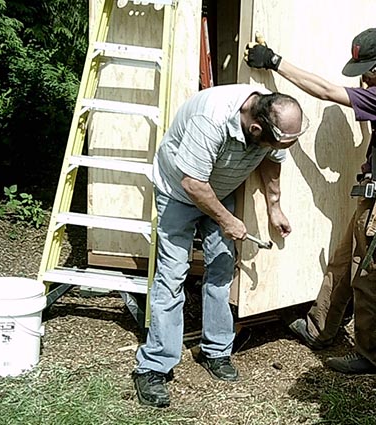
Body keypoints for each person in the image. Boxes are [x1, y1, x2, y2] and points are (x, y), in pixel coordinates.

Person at [244, 28, 376, 374]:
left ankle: (372, 355)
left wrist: (275, 62)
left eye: (372, 72)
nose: (367, 82)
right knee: (343, 264)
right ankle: (319, 328)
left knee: (372, 281)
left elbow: (327, 91)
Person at [132, 84, 308, 408]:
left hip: (217, 188)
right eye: (279, 142)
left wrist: (274, 207)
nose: (283, 148)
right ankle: (154, 367)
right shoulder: (210, 118)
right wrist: (227, 220)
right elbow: (192, 183)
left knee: (222, 267)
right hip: (179, 192)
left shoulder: (271, 115)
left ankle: (216, 350)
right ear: (255, 128)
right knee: (172, 275)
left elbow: (272, 159)